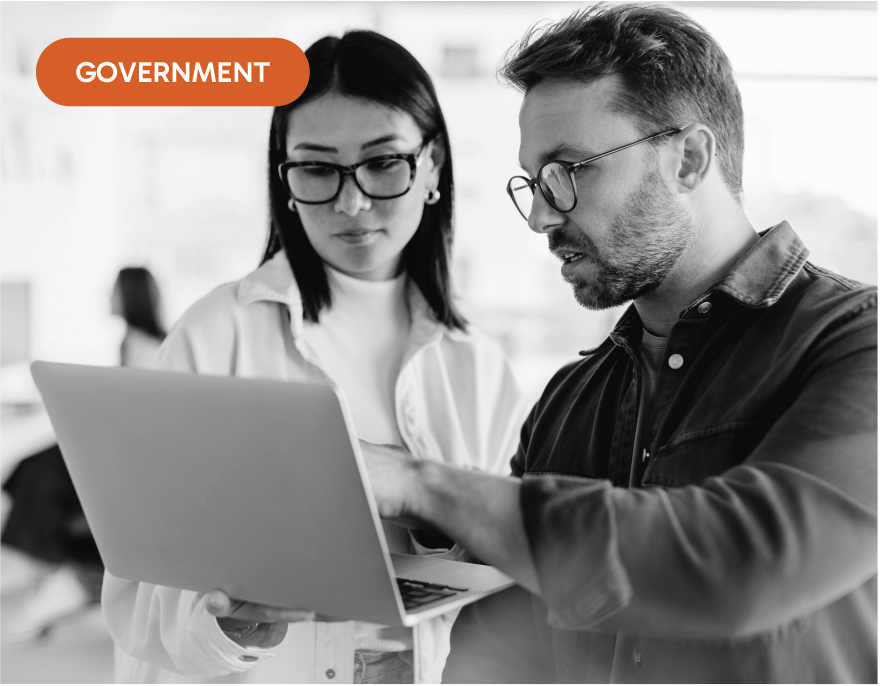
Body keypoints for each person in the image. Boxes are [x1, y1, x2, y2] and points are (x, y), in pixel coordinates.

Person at [360, 5, 878, 684]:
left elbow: (741, 563)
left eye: (569, 170)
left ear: (688, 158)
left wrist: (423, 484)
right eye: (535, 183)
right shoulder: (570, 400)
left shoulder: (855, 343)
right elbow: (504, 645)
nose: (543, 216)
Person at [101, 30, 525, 685]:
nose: (351, 203)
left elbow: (500, 580)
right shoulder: (219, 333)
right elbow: (137, 597)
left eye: (384, 162)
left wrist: (449, 524)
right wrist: (237, 625)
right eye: (319, 168)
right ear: (286, 179)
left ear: (433, 165)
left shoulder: (479, 368)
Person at [0, 267, 166, 633]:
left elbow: (138, 417)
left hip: (128, 454)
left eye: (114, 291)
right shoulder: (132, 340)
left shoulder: (145, 345)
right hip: (115, 442)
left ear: (130, 296)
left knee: (41, 472)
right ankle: (29, 561)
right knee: (30, 465)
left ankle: (32, 563)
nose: (108, 297)